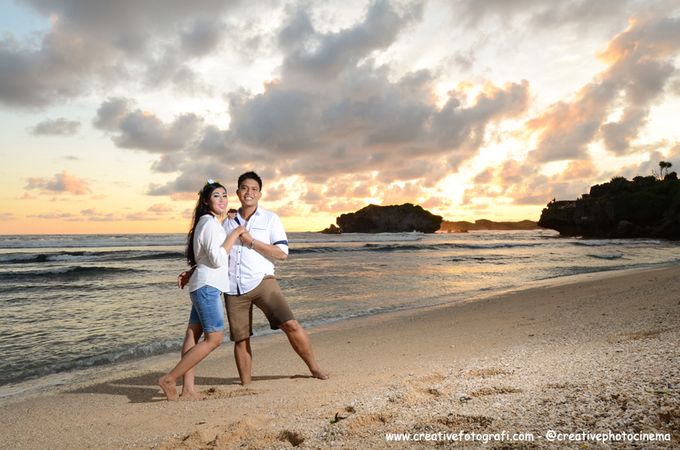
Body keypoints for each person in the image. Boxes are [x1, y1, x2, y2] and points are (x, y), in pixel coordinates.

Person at [180, 172, 328, 385]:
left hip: (263, 282)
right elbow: (213, 252)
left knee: (291, 325)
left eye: (254, 189)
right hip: (233, 288)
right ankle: (246, 385)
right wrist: (192, 271)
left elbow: (282, 253)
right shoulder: (225, 221)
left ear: (260, 193)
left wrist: (251, 241)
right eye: (244, 188)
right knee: (241, 339)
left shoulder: (270, 218)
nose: (249, 192)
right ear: (238, 192)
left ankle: (314, 368)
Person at [159, 180, 246, 401]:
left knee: (193, 334)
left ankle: (188, 389)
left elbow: (207, 256)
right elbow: (217, 259)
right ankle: (169, 379)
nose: (222, 199)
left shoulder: (210, 223)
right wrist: (235, 233)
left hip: (204, 285)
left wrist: (227, 223)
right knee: (215, 338)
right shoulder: (208, 224)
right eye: (216, 196)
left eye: (225, 196)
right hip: (208, 287)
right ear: (206, 201)